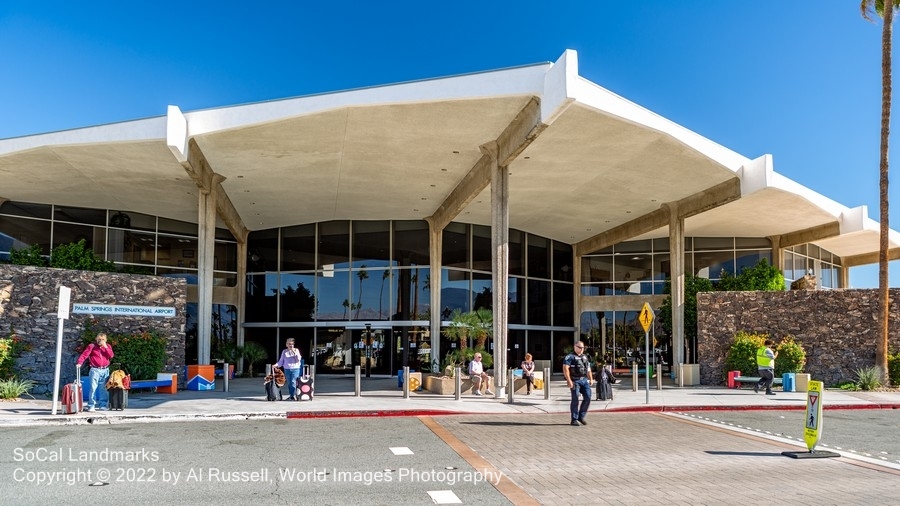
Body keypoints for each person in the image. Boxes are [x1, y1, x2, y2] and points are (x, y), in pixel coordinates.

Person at [76, 332, 115, 412]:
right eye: (99, 339)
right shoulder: (92, 346)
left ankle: (102, 405)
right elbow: (84, 355)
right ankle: (91, 405)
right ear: (96, 339)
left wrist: (106, 347)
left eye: (102, 339)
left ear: (106, 340)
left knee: (103, 388)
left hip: (105, 370)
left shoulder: (108, 346)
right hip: (95, 370)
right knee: (93, 388)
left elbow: (111, 356)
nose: (100, 341)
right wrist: (79, 363)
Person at [563, 340, 593, 426]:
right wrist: (569, 380)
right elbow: (565, 369)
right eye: (579, 347)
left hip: (584, 380)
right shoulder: (570, 357)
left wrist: (591, 378)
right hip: (575, 380)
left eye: (583, 348)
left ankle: (581, 416)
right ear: (575, 347)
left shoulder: (585, 357)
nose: (581, 349)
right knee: (575, 398)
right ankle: (574, 419)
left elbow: (588, 369)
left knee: (588, 397)